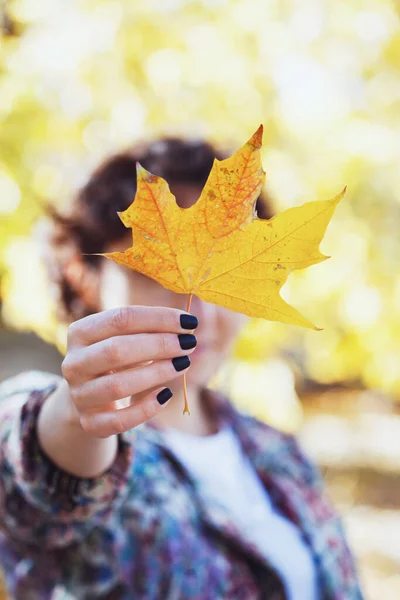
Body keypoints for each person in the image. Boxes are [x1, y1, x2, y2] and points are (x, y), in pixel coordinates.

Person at [0, 137, 363, 600]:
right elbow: (32, 471)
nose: (204, 311)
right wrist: (75, 417)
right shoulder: (72, 435)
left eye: (229, 278)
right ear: (84, 276)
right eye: (159, 275)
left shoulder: (278, 451)